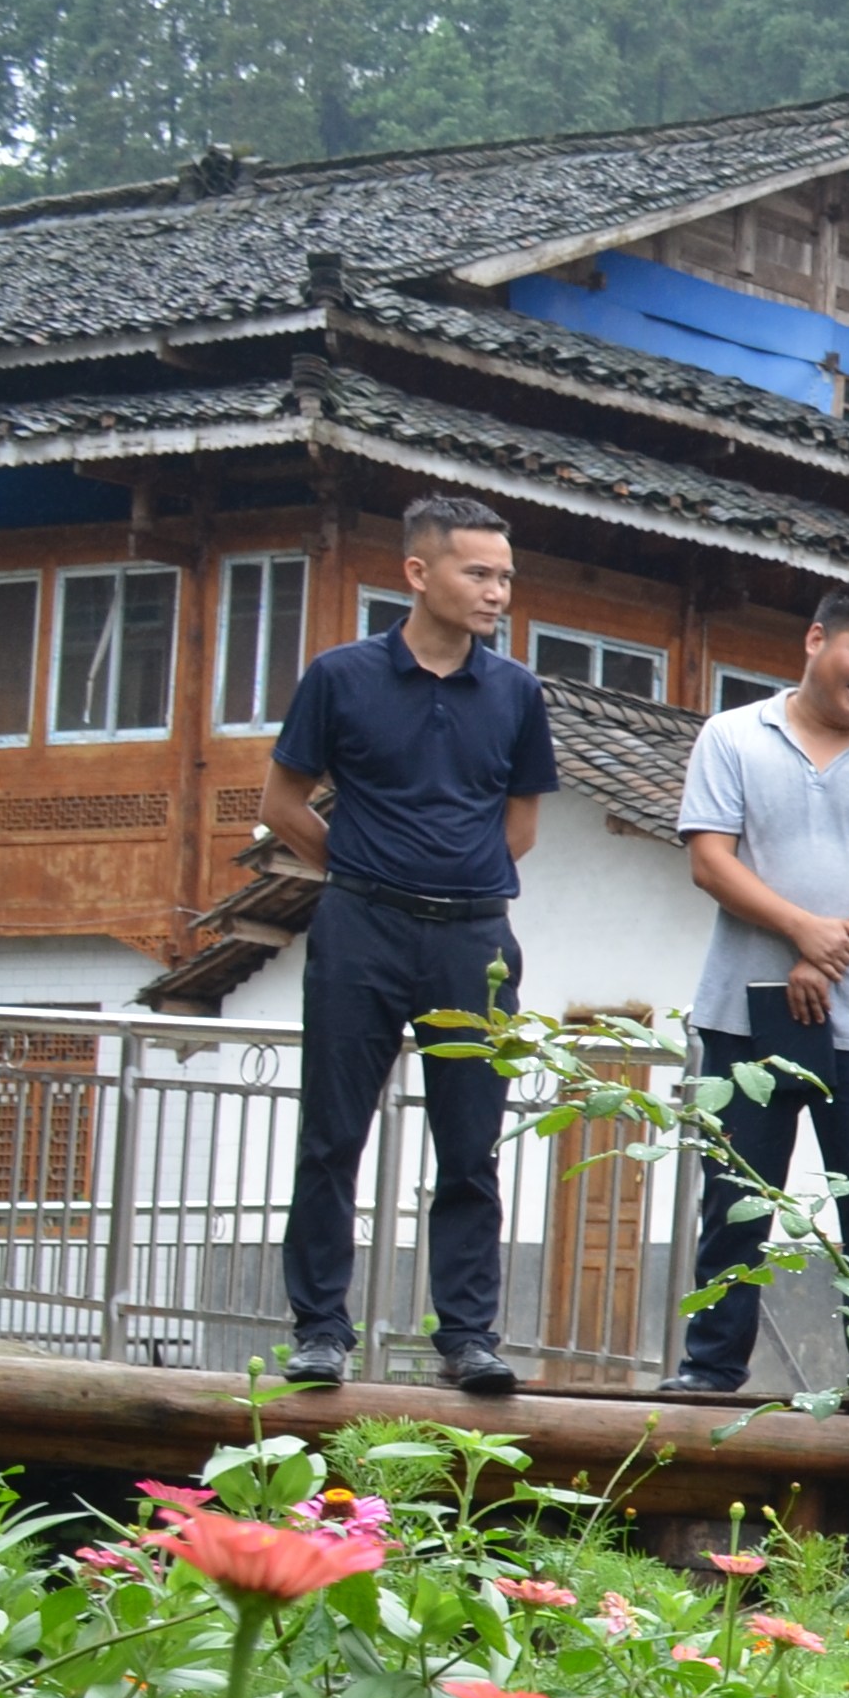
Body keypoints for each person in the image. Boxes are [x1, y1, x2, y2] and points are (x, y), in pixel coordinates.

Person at [261, 494, 558, 1393]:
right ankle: (320, 1330)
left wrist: (452, 886)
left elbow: (521, 827)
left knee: (471, 1148)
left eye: (505, 576)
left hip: (474, 939)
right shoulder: (341, 677)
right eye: (478, 573)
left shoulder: (515, 692)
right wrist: (360, 870)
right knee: (331, 1136)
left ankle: (468, 1337)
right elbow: (281, 806)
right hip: (361, 929)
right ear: (418, 573)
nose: (497, 592)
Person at [666, 590, 849, 1411]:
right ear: (816, 637)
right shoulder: (732, 737)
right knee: (735, 1197)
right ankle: (713, 1369)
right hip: (740, 1012)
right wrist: (804, 933)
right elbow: (710, 861)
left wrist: (839, 946)